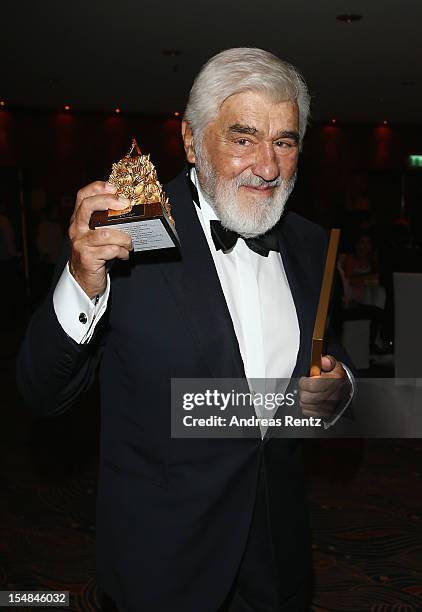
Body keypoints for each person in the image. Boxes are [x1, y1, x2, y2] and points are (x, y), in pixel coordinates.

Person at [17, 48, 354, 612]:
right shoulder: (127, 231)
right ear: (192, 141)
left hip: (278, 555)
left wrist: (336, 384)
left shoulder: (310, 244)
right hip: (165, 563)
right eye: (243, 138)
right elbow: (41, 392)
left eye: (285, 141)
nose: (267, 167)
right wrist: (81, 282)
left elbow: (324, 362)